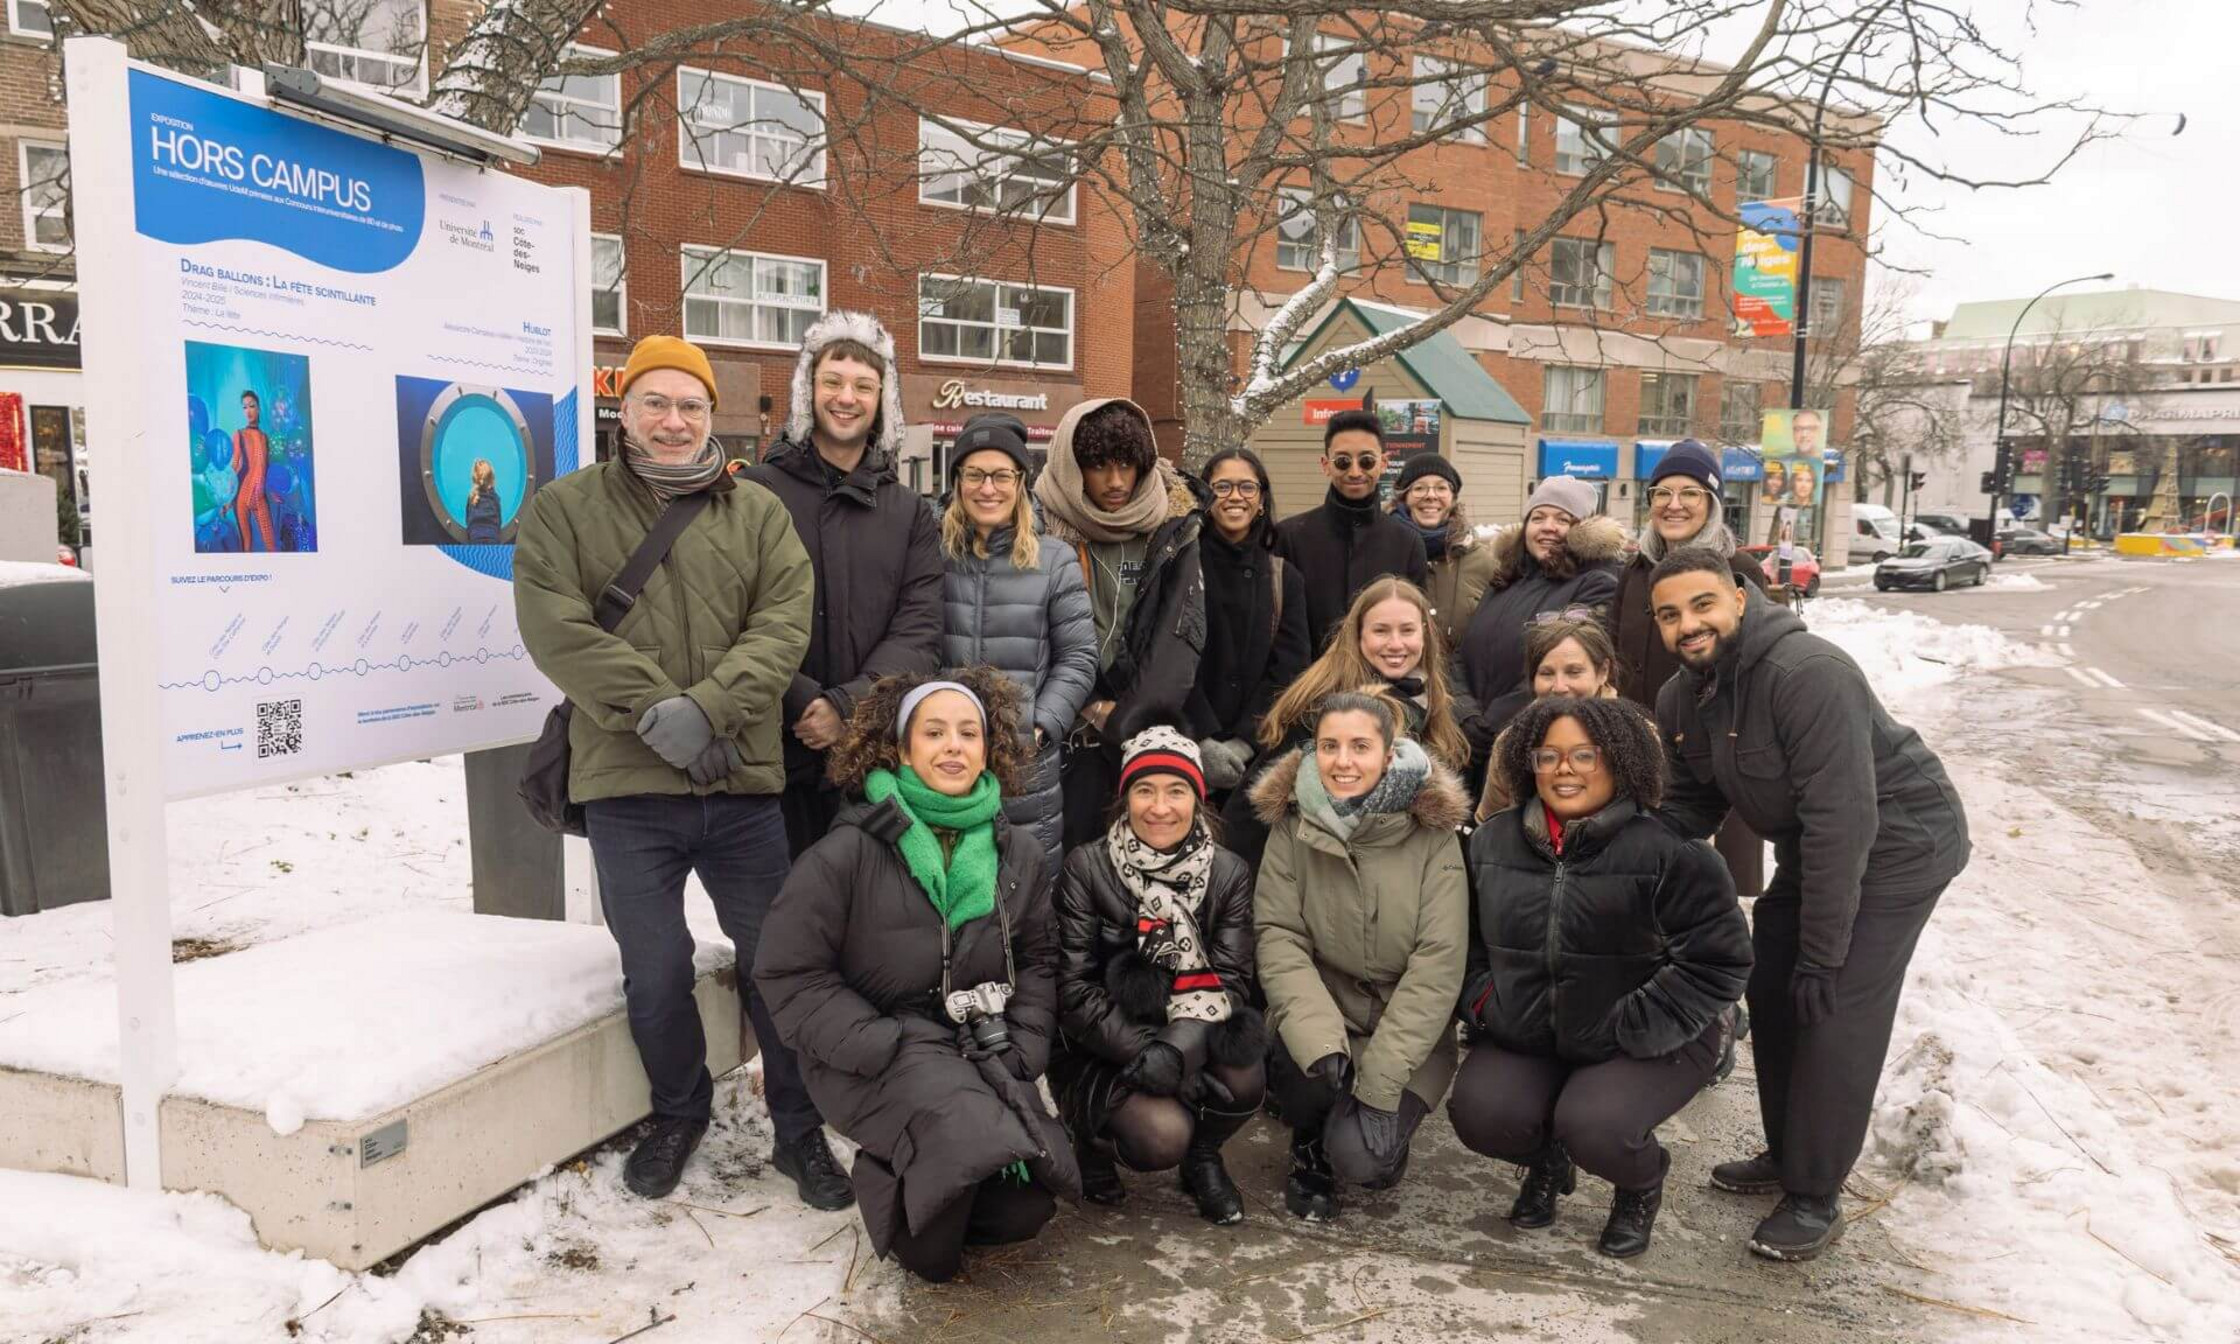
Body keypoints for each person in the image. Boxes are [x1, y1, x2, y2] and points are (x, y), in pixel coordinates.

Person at [514, 335, 827, 1206]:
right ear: (626, 410)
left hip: (743, 788)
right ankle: (679, 1111)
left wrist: (712, 710)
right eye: (657, 402)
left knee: (778, 964)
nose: (675, 420)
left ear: (709, 415)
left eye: (690, 405)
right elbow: (556, 629)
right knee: (654, 969)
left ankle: (799, 1133)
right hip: (627, 788)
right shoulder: (564, 510)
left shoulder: (758, 512)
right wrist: (662, 714)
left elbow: (782, 623)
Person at [1648, 547, 1971, 1262]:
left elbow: (1844, 824)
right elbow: (1692, 802)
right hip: (1818, 846)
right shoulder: (1684, 696)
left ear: (1738, 597)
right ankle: (1789, 1151)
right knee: (1771, 983)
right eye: (1669, 615)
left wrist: (1824, 957)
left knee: (1833, 1005)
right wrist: (1621, 857)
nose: (1688, 625)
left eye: (1702, 605)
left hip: (1900, 842)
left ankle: (1815, 1194)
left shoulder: (1808, 674)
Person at [752, 669, 1080, 1283]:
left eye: (967, 733)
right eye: (933, 733)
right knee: (935, 1257)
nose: (953, 746)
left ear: (989, 750)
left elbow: (1038, 959)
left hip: (978, 1046)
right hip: (878, 1047)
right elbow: (787, 971)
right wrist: (880, 1041)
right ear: (902, 749)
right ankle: (912, 1159)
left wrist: (1027, 1043)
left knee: (1025, 1209)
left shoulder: (1020, 854)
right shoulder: (849, 850)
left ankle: (926, 1163)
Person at [1452, 696, 1750, 1258]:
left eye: (1584, 755)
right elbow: (1462, 943)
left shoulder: (1671, 851)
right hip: (1531, 1028)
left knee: (1596, 1125)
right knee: (1481, 1112)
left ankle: (1639, 1183)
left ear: (1619, 761)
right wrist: (1489, 1002)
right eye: (1548, 756)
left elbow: (1719, 960)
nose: (1564, 770)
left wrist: (1634, 1023)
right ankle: (1545, 1159)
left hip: (1645, 1038)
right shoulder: (1491, 844)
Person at [1249, 690, 1470, 1221]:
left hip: (1404, 1027)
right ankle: (1307, 1146)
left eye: (1360, 746)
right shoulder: (1293, 824)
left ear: (1388, 754)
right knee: (1303, 1067)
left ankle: (1369, 1130)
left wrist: (1382, 1080)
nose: (1343, 761)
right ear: (1313, 753)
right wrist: (1318, 1037)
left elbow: (1438, 961)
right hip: (1326, 1008)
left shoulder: (1433, 834)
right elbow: (1279, 935)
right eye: (1329, 746)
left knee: (1365, 1162)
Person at [742, 311, 944, 860]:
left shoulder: (909, 514)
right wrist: (802, 701)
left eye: (863, 385)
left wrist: (849, 706)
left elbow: (919, 629)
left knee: (867, 925)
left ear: (884, 400)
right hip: (767, 755)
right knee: (775, 927)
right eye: (832, 381)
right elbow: (731, 614)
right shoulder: (753, 494)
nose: (846, 397)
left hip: (871, 760)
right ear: (809, 389)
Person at [1051, 728, 1266, 1225]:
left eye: (1177, 790)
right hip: (1101, 1046)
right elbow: (1074, 989)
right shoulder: (1088, 865)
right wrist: (1148, 1052)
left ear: (1198, 797)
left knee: (1247, 1077)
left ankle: (1204, 1156)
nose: (1160, 807)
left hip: (1189, 1030)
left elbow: (1230, 980)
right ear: (1125, 798)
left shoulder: (1228, 873)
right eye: (1145, 790)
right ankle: (1091, 1140)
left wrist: (1175, 1053)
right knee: (1161, 1134)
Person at [1033, 397, 1207, 848]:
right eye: (1098, 467)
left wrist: (1130, 720)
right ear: (1073, 467)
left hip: (1144, 736)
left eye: (1127, 466)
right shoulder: (1036, 527)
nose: (1115, 482)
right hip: (1064, 734)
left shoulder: (1175, 527)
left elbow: (1180, 634)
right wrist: (1087, 704)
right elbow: (1028, 626)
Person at [1610, 440, 1776, 898]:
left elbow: (1753, 664)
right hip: (1639, 747)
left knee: (1715, 887)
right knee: (1646, 876)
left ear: (1712, 503)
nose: (1674, 504)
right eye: (1662, 493)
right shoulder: (1636, 569)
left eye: (1690, 493)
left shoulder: (1737, 569)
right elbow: (1615, 653)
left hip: (1714, 751)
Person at [938, 411, 1098, 884]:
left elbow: (1079, 658)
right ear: (958, 480)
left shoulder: (1054, 560)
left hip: (1026, 761)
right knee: (950, 882)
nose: (988, 488)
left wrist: (1040, 724)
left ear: (1021, 482)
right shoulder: (932, 552)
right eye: (975, 474)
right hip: (945, 754)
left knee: (1025, 886)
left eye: (1002, 475)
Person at [1226, 578, 1472, 870]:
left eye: (1407, 630)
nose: (1396, 644)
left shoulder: (1428, 701)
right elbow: (1254, 817)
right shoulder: (1325, 710)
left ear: (1424, 635)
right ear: (1358, 636)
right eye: (1381, 630)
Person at [1457, 476, 1626, 762]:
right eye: (1538, 517)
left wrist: (1495, 722)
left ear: (1582, 530)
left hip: (1535, 740)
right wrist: (1464, 712)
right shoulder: (1505, 581)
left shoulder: (1597, 584)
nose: (1548, 527)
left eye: (1562, 519)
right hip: (1471, 741)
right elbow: (1461, 655)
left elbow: (1569, 667)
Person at [1185, 448, 1310, 814]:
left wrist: (1245, 740)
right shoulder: (1179, 567)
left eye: (1247, 487)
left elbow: (1290, 670)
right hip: (1189, 746)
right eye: (1222, 486)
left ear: (1261, 500)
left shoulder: (1283, 578)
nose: (1235, 496)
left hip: (1258, 757)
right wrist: (1203, 739)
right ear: (1205, 497)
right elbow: (1166, 659)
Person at [1275, 408, 1430, 654]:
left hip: (1381, 686)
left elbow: (1413, 628)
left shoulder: (1407, 543)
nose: (1355, 472)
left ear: (1383, 463)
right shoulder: (1289, 537)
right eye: (1343, 461)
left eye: (1366, 460)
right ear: (1326, 465)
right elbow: (1279, 630)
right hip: (1306, 685)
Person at [1473, 617, 1631, 821]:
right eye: (1546, 674)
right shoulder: (1511, 742)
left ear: (1602, 672)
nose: (1559, 687)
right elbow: (1489, 824)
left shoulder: (1637, 738)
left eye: (1573, 672)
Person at [1388, 454, 1500, 655]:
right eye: (1419, 488)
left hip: (1459, 684)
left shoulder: (1483, 562)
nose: (1431, 496)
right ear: (1404, 497)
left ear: (1453, 498)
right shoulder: (1381, 550)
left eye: (1441, 488)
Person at [230, 389, 276, 552]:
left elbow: (266, 468)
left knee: (271, 545)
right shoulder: (239, 434)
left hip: (260, 496)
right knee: (247, 545)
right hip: (243, 495)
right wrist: (227, 498)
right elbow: (235, 464)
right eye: (244, 407)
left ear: (258, 409)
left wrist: (272, 493)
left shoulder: (265, 437)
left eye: (251, 406)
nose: (248, 410)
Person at [465, 458, 502, 544]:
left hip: (475, 535)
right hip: (492, 535)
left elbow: (468, 520)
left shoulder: (472, 498)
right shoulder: (495, 497)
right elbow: (499, 521)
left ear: (474, 479)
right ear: (492, 479)